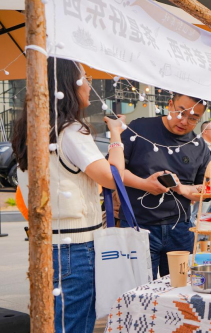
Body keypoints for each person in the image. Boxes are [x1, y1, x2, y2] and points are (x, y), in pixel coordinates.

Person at [12, 57, 126, 333]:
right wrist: (116, 136)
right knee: (74, 324)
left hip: (47, 244)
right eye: (84, 78)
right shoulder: (71, 131)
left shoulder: (32, 131)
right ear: (67, 85)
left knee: (54, 322)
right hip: (75, 248)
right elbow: (113, 178)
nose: (88, 84)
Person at [120, 92, 211, 279]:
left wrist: (182, 189)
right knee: (140, 292)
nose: (184, 121)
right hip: (137, 226)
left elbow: (207, 190)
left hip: (180, 229)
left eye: (193, 118)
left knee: (182, 291)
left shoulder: (199, 145)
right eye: (180, 112)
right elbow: (114, 170)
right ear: (170, 104)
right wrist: (144, 184)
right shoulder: (139, 128)